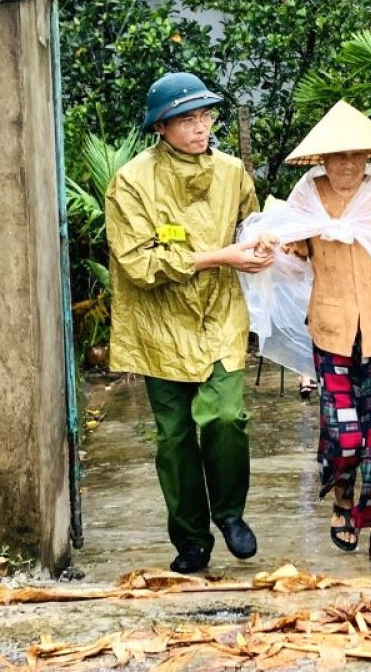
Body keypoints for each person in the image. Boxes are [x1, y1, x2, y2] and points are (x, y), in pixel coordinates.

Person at [245, 101, 371, 563]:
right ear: (322, 161)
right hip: (332, 333)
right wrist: (275, 243)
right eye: (337, 156)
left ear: (369, 157)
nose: (347, 164)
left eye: (356, 155)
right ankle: (342, 497)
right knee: (346, 434)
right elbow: (292, 251)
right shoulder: (308, 198)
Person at [105, 71, 273, 574]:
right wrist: (220, 256)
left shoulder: (232, 173)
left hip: (219, 314)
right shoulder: (132, 182)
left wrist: (263, 246)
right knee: (174, 438)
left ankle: (229, 513)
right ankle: (192, 538)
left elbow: (251, 225)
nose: (200, 129)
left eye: (205, 117)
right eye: (187, 120)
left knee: (225, 418)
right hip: (158, 325)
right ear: (161, 127)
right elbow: (138, 263)